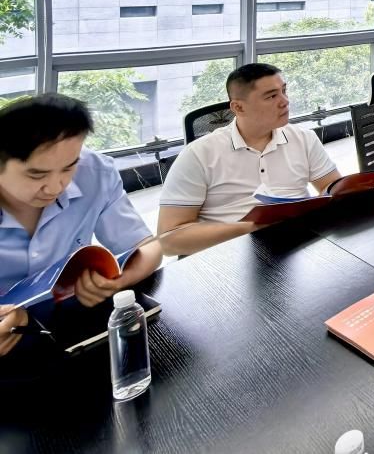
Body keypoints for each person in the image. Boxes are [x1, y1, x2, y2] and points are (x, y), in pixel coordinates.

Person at [0, 94, 161, 356]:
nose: (55, 187)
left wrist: (118, 282)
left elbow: (147, 247)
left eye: (68, 167)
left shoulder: (95, 173)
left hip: (72, 325)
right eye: (36, 174)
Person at [158, 63, 341, 256]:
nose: (285, 101)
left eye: (284, 91)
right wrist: (255, 227)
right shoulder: (199, 154)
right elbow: (168, 241)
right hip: (228, 255)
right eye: (271, 96)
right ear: (238, 107)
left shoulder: (304, 138)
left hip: (300, 246)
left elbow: (333, 189)